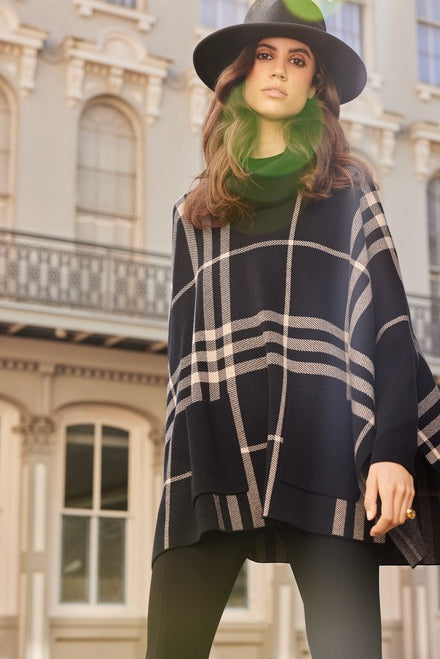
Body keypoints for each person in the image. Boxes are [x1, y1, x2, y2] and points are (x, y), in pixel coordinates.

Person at [146, 1, 440, 658]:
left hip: (327, 453)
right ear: (241, 76)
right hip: (210, 453)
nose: (279, 71)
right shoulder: (194, 214)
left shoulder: (350, 194)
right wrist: (183, 468)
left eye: (298, 58)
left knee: (349, 648)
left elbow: (390, 330)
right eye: (265, 55)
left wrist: (390, 450)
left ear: (316, 83)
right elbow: (182, 360)